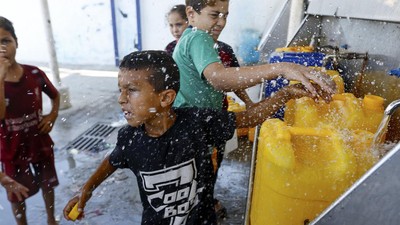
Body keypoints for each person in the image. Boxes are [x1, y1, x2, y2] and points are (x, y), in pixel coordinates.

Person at [62, 50, 328, 225]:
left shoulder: (197, 122)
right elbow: (113, 161)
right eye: (120, 90)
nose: (121, 99)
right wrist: (87, 189)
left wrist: (284, 95)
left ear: (166, 98)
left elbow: (249, 119)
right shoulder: (129, 138)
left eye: (131, 90)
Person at [173, 0, 336, 111]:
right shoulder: (198, 37)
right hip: (192, 132)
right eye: (215, 15)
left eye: (225, 16)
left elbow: (229, 79)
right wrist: (282, 68)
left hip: (195, 128)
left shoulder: (191, 38)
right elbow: (220, 79)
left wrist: (250, 103)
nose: (222, 23)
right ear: (191, 14)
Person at [0, 16, 60, 225]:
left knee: (48, 184)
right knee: (17, 193)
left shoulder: (34, 73)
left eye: (5, 41)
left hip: (39, 142)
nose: (1, 48)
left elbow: (55, 95)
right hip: (11, 150)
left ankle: (52, 219)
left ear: (17, 42)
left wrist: (52, 116)